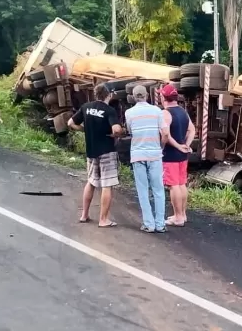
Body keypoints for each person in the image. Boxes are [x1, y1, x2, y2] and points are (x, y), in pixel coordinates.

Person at [68, 83, 122, 228]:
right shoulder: (109, 110)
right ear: (109, 95)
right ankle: (103, 220)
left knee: (91, 182)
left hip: (91, 151)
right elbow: (116, 129)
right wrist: (115, 134)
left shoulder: (86, 107)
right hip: (106, 151)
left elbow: (70, 122)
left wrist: (83, 129)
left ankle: (84, 215)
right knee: (107, 185)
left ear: (95, 94)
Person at [125, 85, 169, 233]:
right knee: (158, 190)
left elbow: (131, 132)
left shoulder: (129, 113)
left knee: (143, 190)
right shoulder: (157, 111)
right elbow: (165, 134)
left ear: (133, 96)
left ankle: (149, 224)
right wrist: (160, 147)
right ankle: (160, 224)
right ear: (146, 96)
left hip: (137, 155)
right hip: (155, 154)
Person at [161, 83, 195, 226]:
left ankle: (178, 217)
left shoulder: (165, 113)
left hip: (171, 155)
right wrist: (186, 145)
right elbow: (192, 130)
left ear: (164, 97)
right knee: (181, 184)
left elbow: (166, 134)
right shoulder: (183, 111)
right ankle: (183, 214)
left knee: (173, 185)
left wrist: (177, 146)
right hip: (182, 156)